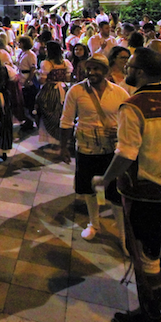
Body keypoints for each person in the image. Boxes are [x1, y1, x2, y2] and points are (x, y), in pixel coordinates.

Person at [94, 48, 161, 322]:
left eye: (129, 66)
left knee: (144, 254)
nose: (126, 70)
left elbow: (126, 153)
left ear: (139, 72)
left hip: (146, 191)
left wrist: (104, 178)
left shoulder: (132, 106)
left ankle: (150, 312)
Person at [59, 53, 129, 245]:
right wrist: (63, 147)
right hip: (86, 149)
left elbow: (128, 119)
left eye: (97, 69)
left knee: (115, 194)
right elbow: (66, 121)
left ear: (106, 71)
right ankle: (94, 223)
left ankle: (123, 236)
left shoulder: (119, 93)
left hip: (111, 151)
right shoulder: (76, 91)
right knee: (91, 189)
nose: (92, 72)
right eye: (89, 69)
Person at [36, 41, 72, 145]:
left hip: (50, 90)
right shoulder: (66, 63)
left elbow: (42, 81)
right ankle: (61, 138)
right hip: (63, 90)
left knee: (47, 111)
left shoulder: (46, 64)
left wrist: (38, 75)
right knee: (60, 113)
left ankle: (51, 139)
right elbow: (68, 79)